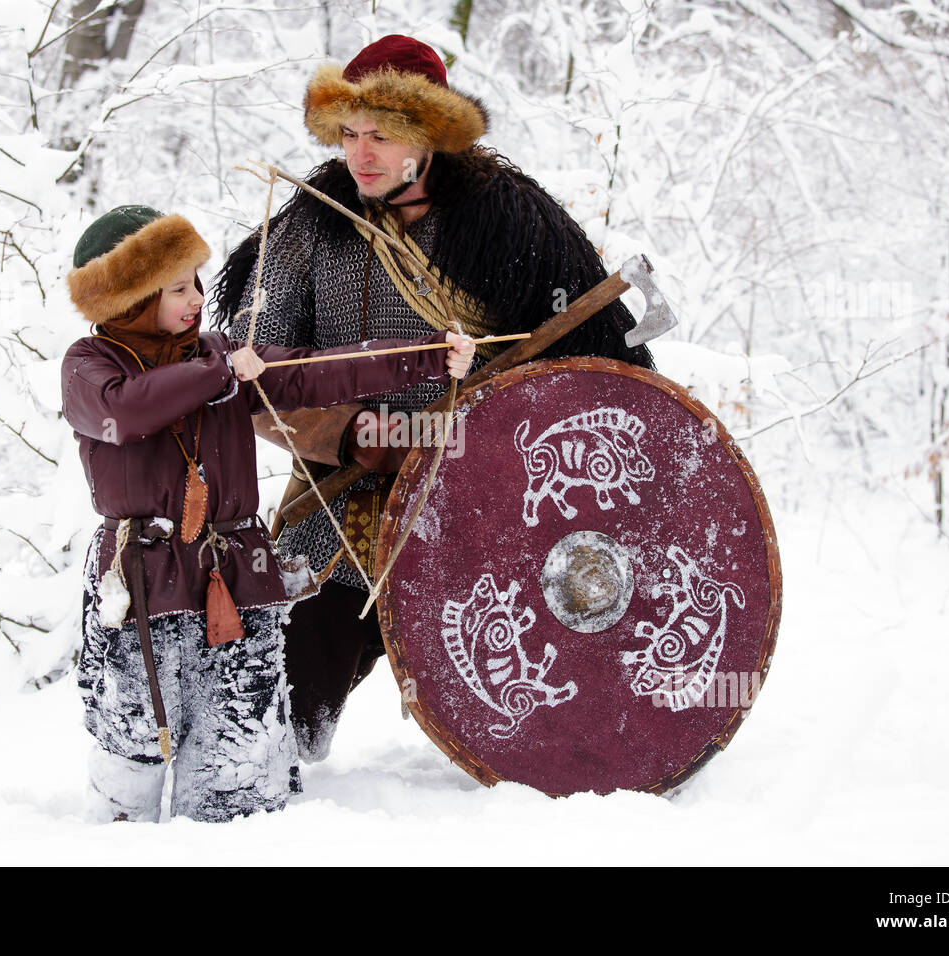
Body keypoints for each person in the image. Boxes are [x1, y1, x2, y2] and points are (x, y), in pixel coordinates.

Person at [212, 34, 657, 762]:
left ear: (430, 135)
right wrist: (354, 435)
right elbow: (251, 379)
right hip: (344, 510)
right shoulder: (306, 230)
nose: (362, 154)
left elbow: (597, 380)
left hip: (495, 511)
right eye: (350, 134)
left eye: (383, 135)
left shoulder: (512, 223)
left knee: (545, 724)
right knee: (276, 728)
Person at [61, 203, 475, 822]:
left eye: (197, 281)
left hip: (236, 575)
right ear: (131, 297)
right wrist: (219, 371)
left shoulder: (219, 356)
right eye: (177, 288)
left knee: (242, 761)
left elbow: (318, 374)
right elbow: (130, 411)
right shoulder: (91, 367)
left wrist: (426, 354)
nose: (196, 297)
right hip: (143, 589)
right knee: (134, 751)